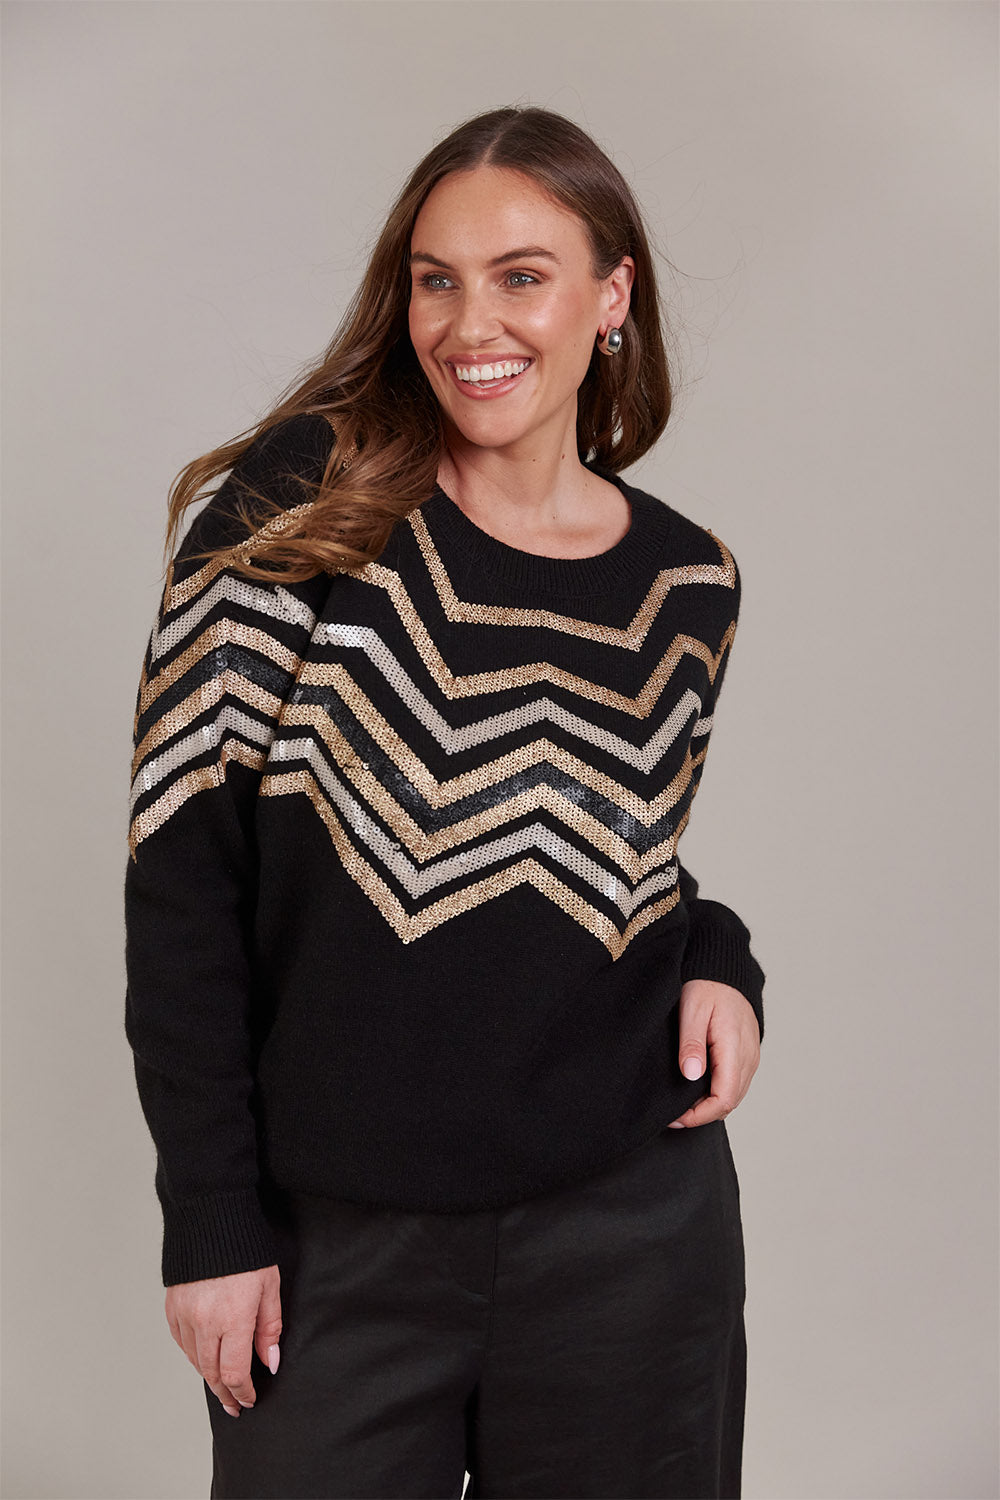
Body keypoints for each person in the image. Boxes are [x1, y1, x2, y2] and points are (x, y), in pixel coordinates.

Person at [125, 105, 765, 1500]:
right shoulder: (301, 509)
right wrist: (212, 1215)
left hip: (632, 1240)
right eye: (437, 279)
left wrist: (719, 954)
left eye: (522, 275)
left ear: (611, 296)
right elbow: (183, 877)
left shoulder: (687, 584)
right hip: (336, 1247)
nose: (472, 323)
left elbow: (620, 860)